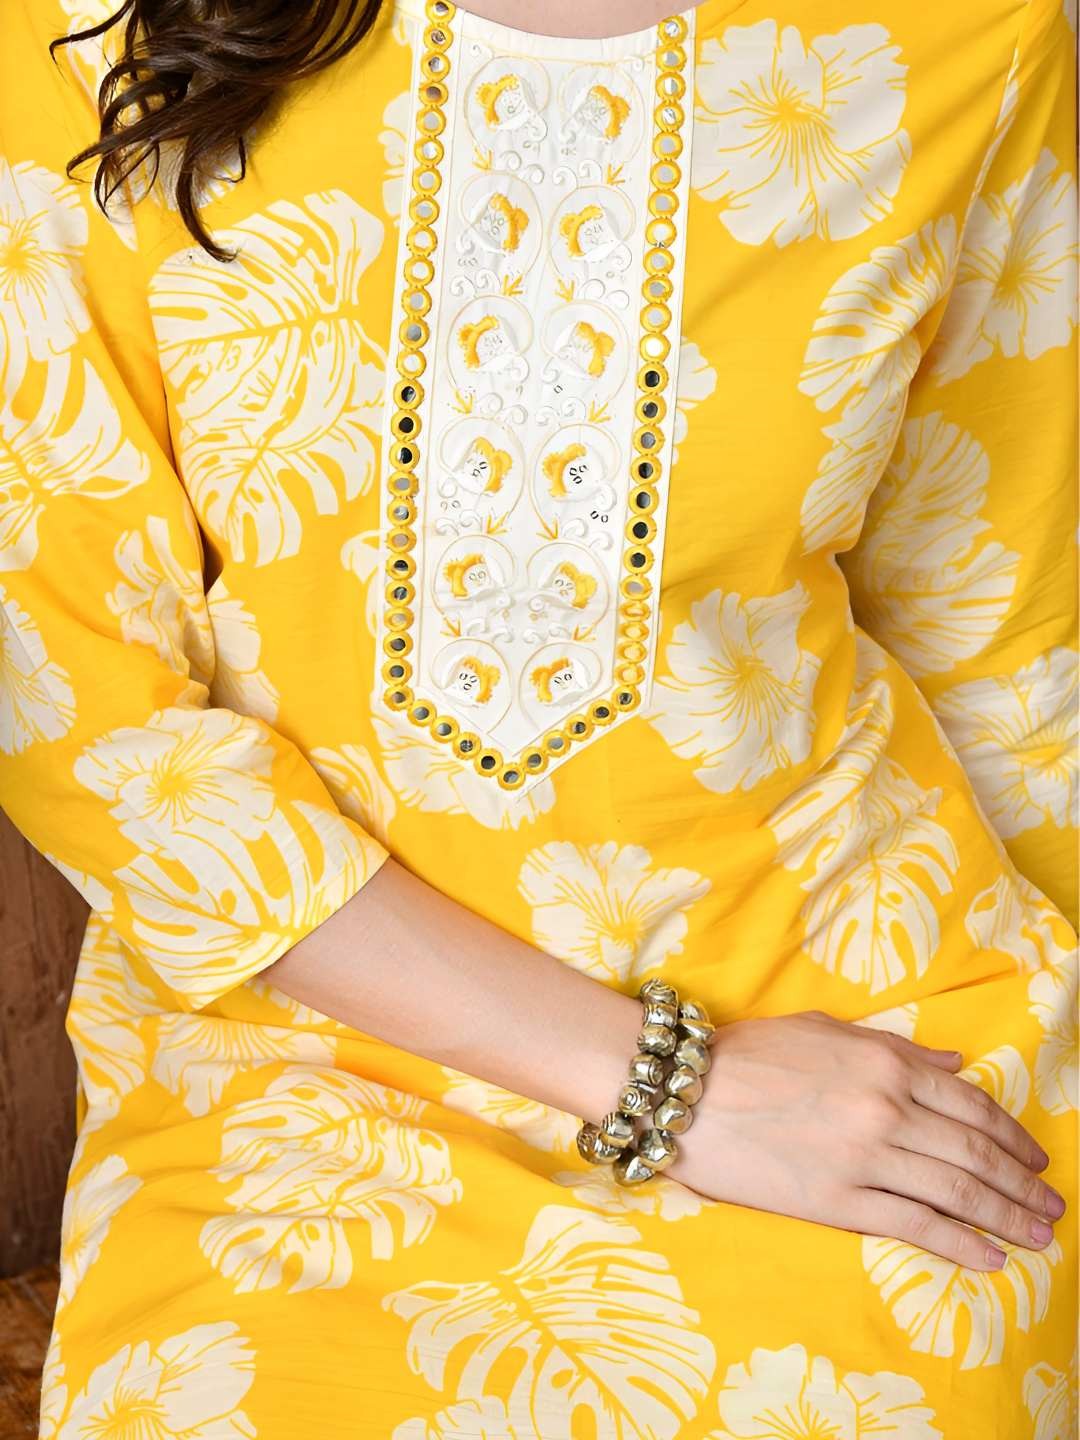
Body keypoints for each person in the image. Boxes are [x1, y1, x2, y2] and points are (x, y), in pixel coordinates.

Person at [0, 0, 1075, 1434]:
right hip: (294, 1064)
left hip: (859, 1029)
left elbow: (1002, 634)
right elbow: (66, 693)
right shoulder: (84, 27)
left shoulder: (973, 33)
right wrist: (671, 1089)